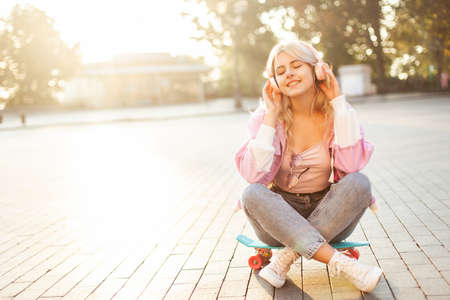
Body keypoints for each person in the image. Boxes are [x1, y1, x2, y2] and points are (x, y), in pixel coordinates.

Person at [234, 40, 382, 293]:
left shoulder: (338, 113)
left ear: (317, 70)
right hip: (278, 220)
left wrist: (336, 99)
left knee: (360, 182)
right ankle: (344, 267)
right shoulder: (265, 118)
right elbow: (252, 174)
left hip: (330, 216)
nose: (288, 73)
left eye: (296, 65)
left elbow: (353, 163)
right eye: (280, 71)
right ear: (274, 83)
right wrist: (271, 115)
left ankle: (285, 259)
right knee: (251, 193)